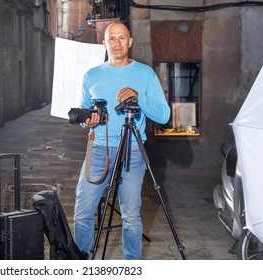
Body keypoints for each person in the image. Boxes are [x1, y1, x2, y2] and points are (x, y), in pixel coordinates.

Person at [73, 21, 171, 260]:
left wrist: (139, 98)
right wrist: (87, 121)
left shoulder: (145, 73)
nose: (117, 43)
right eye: (111, 38)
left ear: (130, 42)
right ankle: (80, 263)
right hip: (98, 150)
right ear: (103, 43)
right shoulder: (91, 75)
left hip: (132, 150)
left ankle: (131, 266)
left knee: (131, 215)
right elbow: (84, 114)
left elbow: (163, 115)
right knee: (82, 212)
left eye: (121, 38)